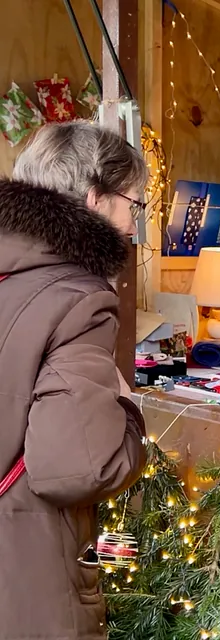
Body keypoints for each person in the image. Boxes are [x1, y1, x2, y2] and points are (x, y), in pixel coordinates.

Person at [0, 121, 148, 639]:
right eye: (134, 204)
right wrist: (129, 412)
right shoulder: (80, 298)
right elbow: (77, 468)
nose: (133, 225)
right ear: (94, 200)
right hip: (24, 580)